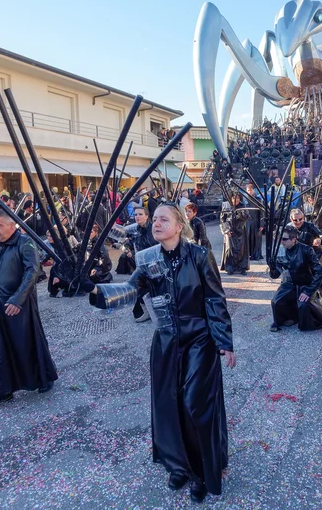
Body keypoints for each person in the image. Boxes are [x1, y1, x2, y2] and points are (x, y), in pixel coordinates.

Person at [126, 203, 235, 502]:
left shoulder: (200, 256)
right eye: (154, 220)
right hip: (166, 342)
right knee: (167, 404)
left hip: (200, 340)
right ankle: (178, 464)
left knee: (194, 403)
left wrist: (224, 341)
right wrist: (98, 292)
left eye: (163, 219)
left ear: (179, 226)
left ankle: (202, 471)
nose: (156, 224)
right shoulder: (148, 260)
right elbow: (130, 288)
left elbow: (215, 298)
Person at [0, 210, 58, 409]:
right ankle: (1, 390)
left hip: (20, 304)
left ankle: (42, 377)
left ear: (11, 226)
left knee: (26, 343)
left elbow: (33, 270)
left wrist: (17, 299)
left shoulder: (25, 243)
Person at [270, 224, 322, 332]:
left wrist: (309, 290)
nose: (281, 242)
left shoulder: (306, 250)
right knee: (276, 301)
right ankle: (291, 317)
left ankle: (309, 317)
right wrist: (272, 267)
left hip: (305, 284)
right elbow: (275, 275)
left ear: (294, 239)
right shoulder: (280, 251)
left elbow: (318, 271)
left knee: (304, 307)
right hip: (289, 284)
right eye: (280, 239)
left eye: (284, 239)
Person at [117, 206, 157, 322]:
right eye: (135, 215)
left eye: (140, 214)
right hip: (141, 265)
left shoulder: (154, 229)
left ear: (147, 216)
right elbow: (127, 241)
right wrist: (127, 249)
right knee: (137, 286)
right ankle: (146, 310)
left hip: (155, 264)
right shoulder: (135, 230)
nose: (137, 217)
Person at [220, 195, 250, 276]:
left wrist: (240, 213)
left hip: (240, 230)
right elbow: (223, 219)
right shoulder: (226, 206)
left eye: (237, 198)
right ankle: (230, 267)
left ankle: (242, 267)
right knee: (229, 249)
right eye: (233, 198)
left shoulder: (243, 206)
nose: (235, 200)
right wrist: (226, 230)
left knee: (241, 249)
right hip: (230, 230)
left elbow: (247, 217)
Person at [245, 183, 263, 261]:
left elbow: (262, 213)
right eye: (248, 190)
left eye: (251, 190)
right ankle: (248, 254)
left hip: (256, 222)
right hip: (247, 223)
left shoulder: (258, 200)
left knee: (256, 240)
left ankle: (256, 255)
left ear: (253, 190)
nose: (249, 192)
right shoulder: (244, 200)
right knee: (247, 239)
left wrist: (262, 224)